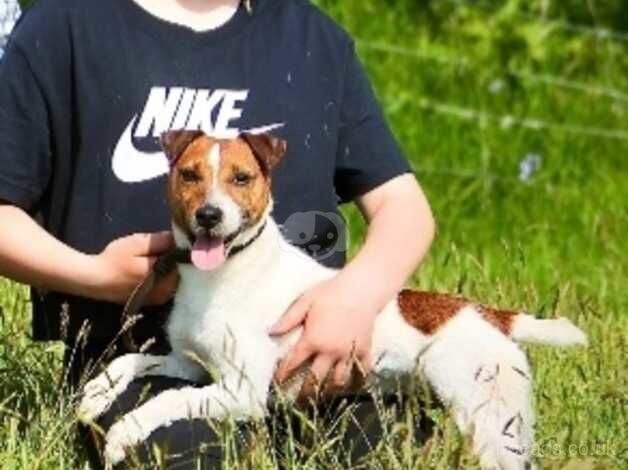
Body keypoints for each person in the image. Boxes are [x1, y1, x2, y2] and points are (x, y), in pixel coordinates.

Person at [0, 0, 435, 467]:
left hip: (317, 361)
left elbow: (404, 208)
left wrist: (355, 296)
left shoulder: (312, 39)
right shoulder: (64, 27)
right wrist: (96, 276)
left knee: (397, 454)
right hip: (153, 362)